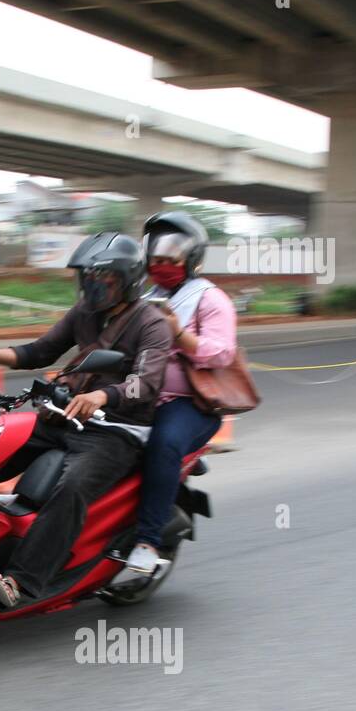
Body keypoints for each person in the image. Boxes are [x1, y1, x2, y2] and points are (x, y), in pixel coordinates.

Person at [0, 232, 171, 607]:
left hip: (116, 431)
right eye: (88, 278)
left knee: (72, 489)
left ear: (128, 280)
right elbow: (41, 350)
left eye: (104, 279)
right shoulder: (85, 312)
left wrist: (102, 394)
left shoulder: (152, 324)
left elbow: (145, 384)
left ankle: (22, 581)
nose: (93, 286)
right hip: (65, 415)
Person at [124, 211, 239, 575]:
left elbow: (222, 352)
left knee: (164, 443)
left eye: (170, 257)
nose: (161, 265)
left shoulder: (210, 299)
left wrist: (179, 333)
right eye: (155, 257)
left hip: (189, 404)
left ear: (190, 259)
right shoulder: (145, 297)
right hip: (140, 394)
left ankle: (147, 540)